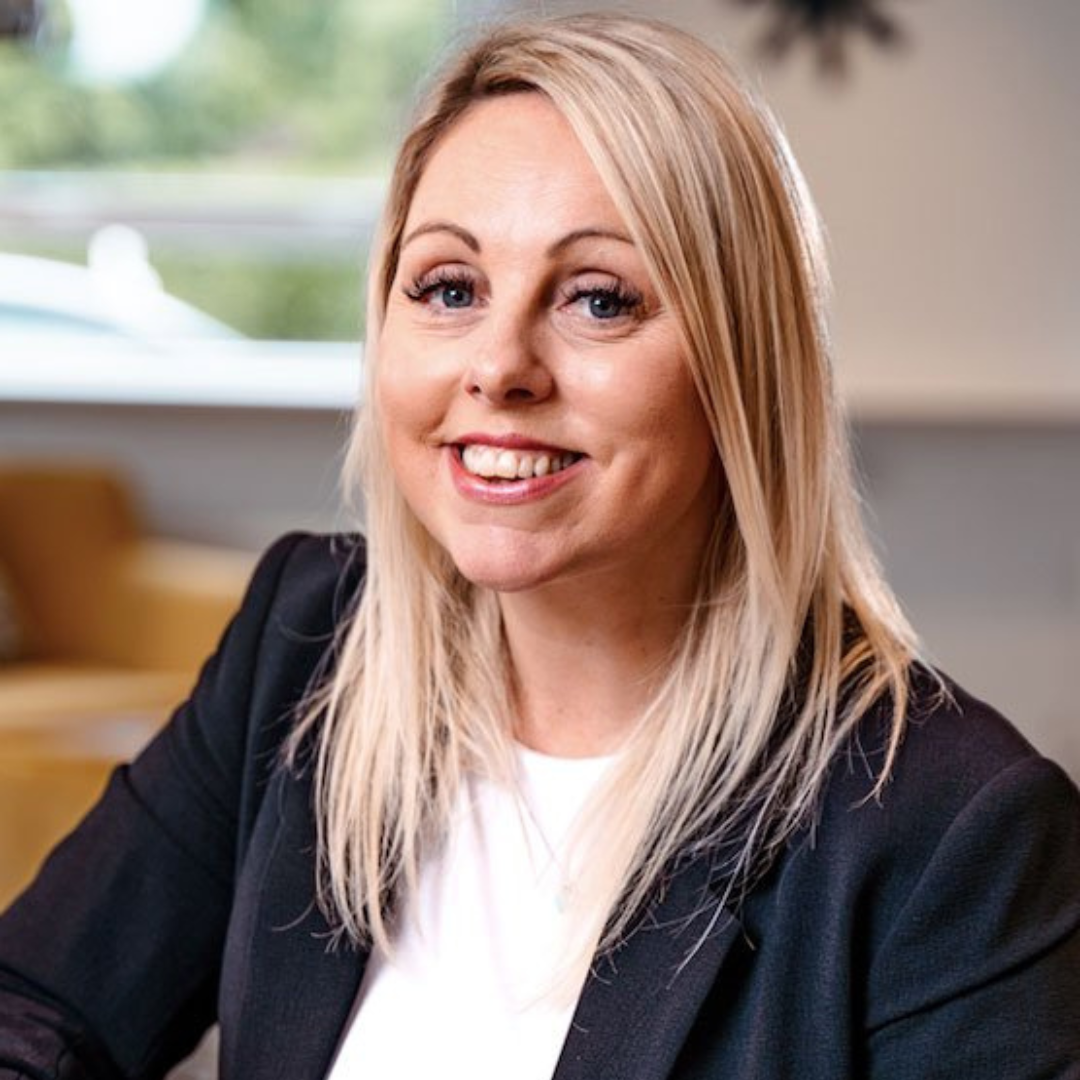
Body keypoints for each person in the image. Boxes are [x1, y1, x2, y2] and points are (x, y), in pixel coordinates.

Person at [1, 12, 1078, 1079]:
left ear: (743, 368)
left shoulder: (956, 832)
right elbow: (37, 1008)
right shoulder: (306, 643)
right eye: (450, 288)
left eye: (599, 299)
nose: (499, 364)